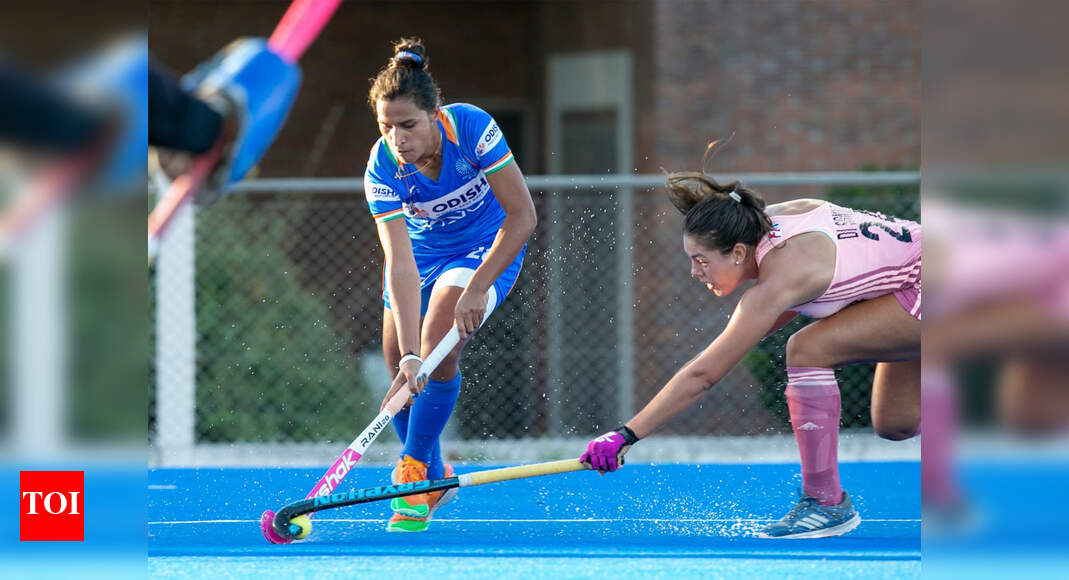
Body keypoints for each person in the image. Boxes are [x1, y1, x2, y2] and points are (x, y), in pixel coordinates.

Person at [580, 165, 921, 539]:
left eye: (702, 260)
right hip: (908, 286)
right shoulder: (762, 226)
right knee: (896, 423)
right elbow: (712, 362)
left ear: (739, 252)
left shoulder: (781, 278)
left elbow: (704, 376)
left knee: (807, 349)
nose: (695, 272)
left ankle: (825, 501)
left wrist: (626, 435)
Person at [363, 38, 536, 532]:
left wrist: (479, 287)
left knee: (441, 333)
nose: (398, 138)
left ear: (435, 115)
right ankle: (435, 475)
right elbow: (398, 260)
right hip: (420, 258)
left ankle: (412, 468)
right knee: (402, 369)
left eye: (408, 125)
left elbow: (523, 216)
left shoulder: (472, 128)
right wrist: (411, 355)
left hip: (486, 246)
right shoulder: (382, 166)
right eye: (386, 127)